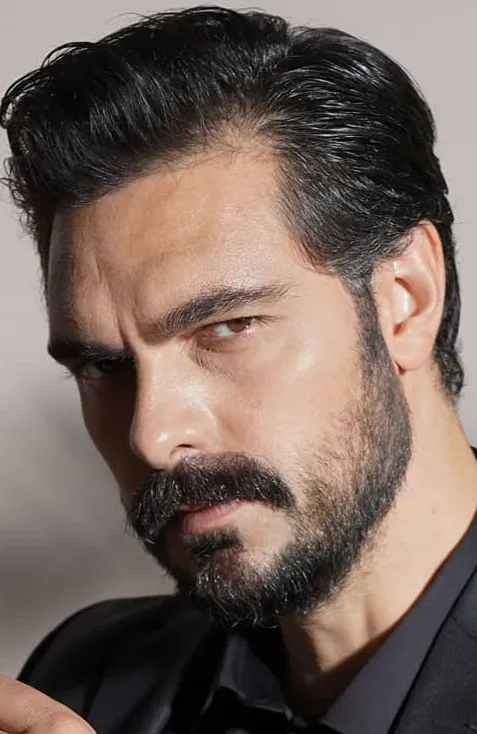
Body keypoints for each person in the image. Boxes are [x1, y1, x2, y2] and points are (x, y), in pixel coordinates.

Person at [1, 5, 477, 733]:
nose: (152, 435)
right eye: (102, 365)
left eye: (226, 328)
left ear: (404, 299)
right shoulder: (88, 683)